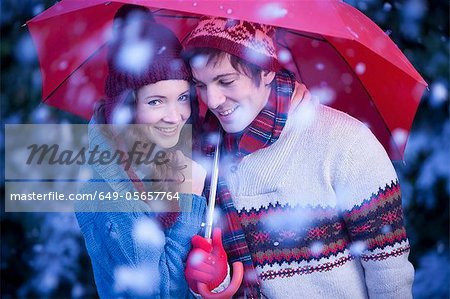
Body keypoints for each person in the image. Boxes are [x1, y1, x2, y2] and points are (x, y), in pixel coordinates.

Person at [183, 17, 415, 298]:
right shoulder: (208, 152)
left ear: (266, 71)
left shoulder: (345, 143)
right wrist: (219, 280)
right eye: (201, 85)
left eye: (226, 81)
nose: (213, 100)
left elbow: (389, 274)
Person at [75, 6, 207, 298]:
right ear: (128, 105)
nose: (176, 116)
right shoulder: (106, 187)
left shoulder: (163, 153)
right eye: (156, 102)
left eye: (183, 97)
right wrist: (188, 201)